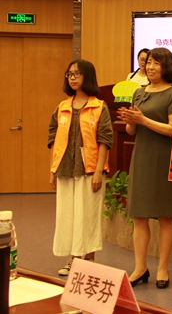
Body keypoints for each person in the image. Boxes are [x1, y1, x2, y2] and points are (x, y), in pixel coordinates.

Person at [117, 47, 172, 289]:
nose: (151, 67)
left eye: (156, 63)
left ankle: (163, 267)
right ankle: (140, 267)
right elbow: (132, 131)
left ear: (167, 67)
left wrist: (143, 119)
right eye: (149, 62)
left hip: (164, 158)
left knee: (165, 215)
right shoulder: (138, 92)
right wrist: (131, 120)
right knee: (139, 216)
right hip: (142, 157)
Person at [48, 59, 113, 276]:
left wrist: (98, 171)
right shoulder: (62, 107)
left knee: (88, 215)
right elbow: (53, 139)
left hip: (90, 170)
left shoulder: (99, 107)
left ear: (88, 76)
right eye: (70, 74)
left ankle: (89, 261)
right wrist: (52, 170)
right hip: (65, 168)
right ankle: (74, 259)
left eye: (77, 74)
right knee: (68, 215)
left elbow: (105, 140)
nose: (72, 78)